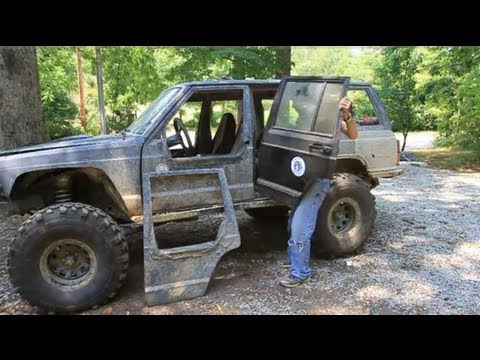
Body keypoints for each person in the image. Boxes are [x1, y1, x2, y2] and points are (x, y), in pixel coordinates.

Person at [280, 97, 358, 287]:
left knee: (300, 226)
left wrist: (346, 115)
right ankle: (293, 260)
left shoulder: (327, 119)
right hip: (300, 179)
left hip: (317, 180)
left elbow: (354, 134)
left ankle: (300, 273)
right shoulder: (301, 121)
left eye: (302, 104)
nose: (298, 106)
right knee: (294, 220)